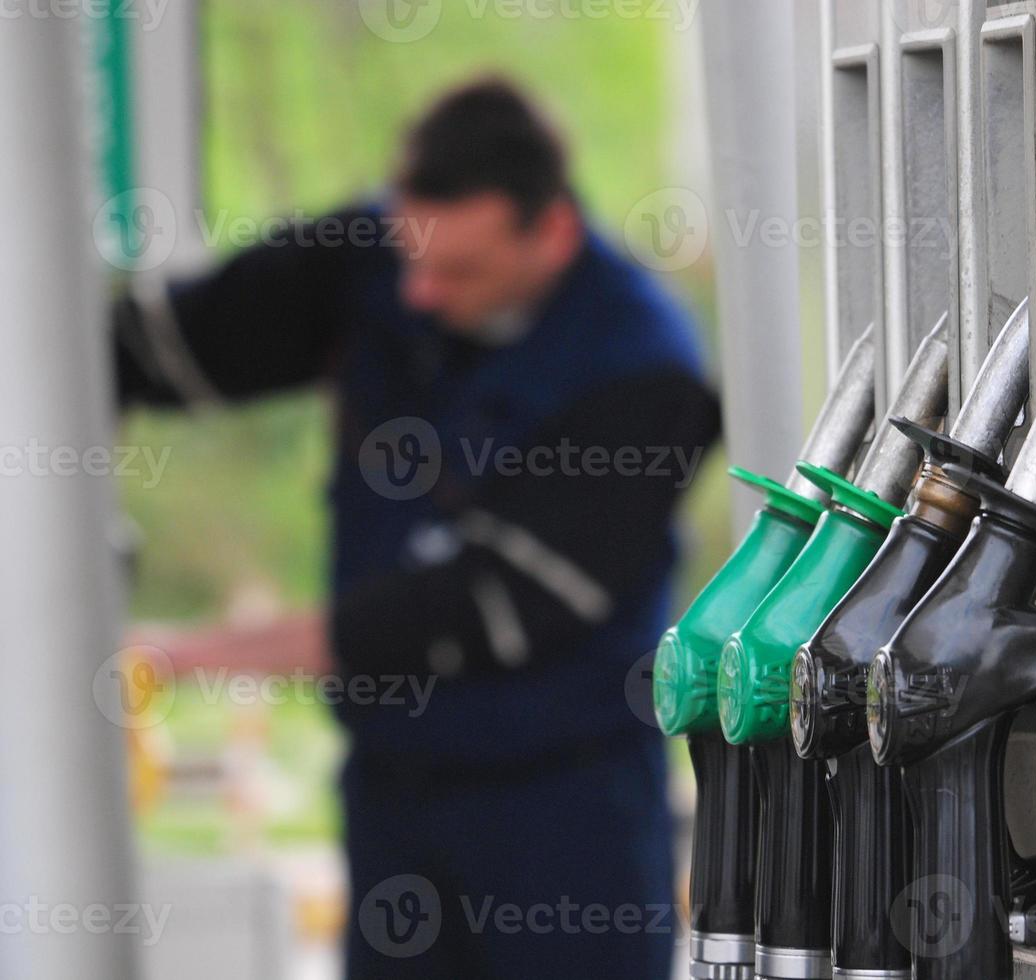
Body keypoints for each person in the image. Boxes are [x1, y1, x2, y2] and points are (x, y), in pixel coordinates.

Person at [114, 77, 720, 979]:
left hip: (565, 814)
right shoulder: (377, 261)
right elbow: (148, 351)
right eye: (410, 260)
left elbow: (463, 609)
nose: (421, 294)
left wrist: (180, 657)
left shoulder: (645, 374)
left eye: (458, 272)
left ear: (549, 233)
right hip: (395, 797)